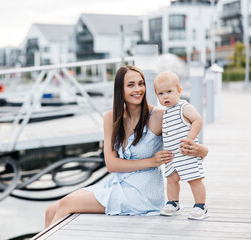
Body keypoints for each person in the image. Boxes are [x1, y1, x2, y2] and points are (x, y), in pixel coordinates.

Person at [44, 66, 208, 228]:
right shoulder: (111, 118)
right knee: (51, 210)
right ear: (119, 89)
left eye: (141, 83)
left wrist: (202, 150)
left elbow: (182, 137)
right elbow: (112, 165)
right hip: (117, 182)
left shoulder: (159, 116)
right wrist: (151, 161)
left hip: (142, 192)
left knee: (66, 204)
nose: (138, 89)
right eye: (131, 85)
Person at [154, 71, 208, 220]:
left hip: (187, 152)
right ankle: (173, 202)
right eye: (161, 93)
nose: (165, 96)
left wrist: (190, 139)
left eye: (169, 92)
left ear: (179, 91)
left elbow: (197, 120)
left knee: (194, 179)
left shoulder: (183, 107)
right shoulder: (164, 113)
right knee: (171, 179)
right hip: (172, 155)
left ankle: (200, 205)